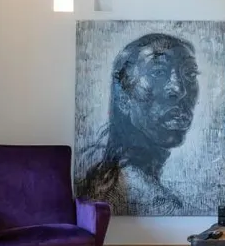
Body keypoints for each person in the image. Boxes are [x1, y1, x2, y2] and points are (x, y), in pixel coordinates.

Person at [77, 33, 200, 215]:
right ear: (123, 97)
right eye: (158, 72)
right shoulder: (153, 200)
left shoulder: (115, 178)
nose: (179, 89)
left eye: (190, 74)